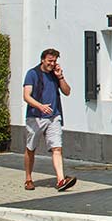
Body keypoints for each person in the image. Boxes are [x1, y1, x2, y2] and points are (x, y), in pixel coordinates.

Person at [22, 48, 76, 192]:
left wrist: (60, 77)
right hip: (35, 117)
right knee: (31, 148)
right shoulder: (32, 74)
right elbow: (26, 96)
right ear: (43, 60)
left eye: (54, 61)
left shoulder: (54, 75)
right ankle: (28, 178)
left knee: (57, 148)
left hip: (54, 116)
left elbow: (67, 92)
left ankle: (60, 180)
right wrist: (40, 106)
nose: (52, 64)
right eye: (49, 61)